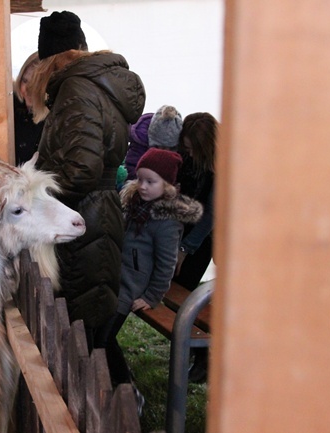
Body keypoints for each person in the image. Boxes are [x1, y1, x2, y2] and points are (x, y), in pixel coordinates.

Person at [29, 10, 146, 350]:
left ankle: (112, 396)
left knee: (79, 328)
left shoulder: (76, 88)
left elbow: (81, 169)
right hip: (98, 211)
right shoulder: (95, 86)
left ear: (49, 60)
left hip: (83, 215)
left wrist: (34, 191)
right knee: (90, 319)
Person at [101, 148, 202, 392]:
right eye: (140, 179)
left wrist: (151, 296)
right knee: (99, 334)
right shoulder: (135, 204)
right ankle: (110, 380)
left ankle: (126, 387)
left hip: (131, 287)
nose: (143, 186)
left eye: (150, 181)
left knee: (103, 338)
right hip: (116, 277)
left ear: (167, 185)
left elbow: (167, 264)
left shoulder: (167, 221)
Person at [172, 112, 218, 383]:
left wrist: (184, 250)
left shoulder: (221, 168)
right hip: (186, 229)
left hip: (204, 236)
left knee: (186, 293)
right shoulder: (191, 160)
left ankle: (203, 355)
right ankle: (190, 347)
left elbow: (210, 216)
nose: (186, 152)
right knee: (180, 290)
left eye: (190, 148)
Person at [13, 51, 45, 166]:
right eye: (25, 81)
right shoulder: (9, 108)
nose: (28, 90)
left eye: (36, 84)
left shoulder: (57, 118)